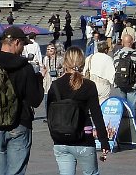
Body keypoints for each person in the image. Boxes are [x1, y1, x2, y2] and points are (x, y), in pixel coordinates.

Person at [47, 47, 111, 175]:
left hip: (61, 141)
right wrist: (104, 141)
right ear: (82, 63)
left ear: (65, 62)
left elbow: (49, 115)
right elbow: (97, 115)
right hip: (84, 138)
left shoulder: (55, 85)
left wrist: (55, 136)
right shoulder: (88, 85)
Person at [0, 26, 44, 175]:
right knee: (16, 171)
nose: (23, 49)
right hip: (19, 123)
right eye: (23, 45)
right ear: (16, 42)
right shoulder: (24, 67)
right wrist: (39, 80)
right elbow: (35, 100)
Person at [112, 34, 136, 117]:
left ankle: (124, 125)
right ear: (131, 43)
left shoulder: (117, 54)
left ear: (123, 43)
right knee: (131, 107)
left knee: (123, 106)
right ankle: (132, 126)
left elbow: (115, 69)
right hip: (133, 84)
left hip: (121, 83)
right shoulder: (135, 54)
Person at [41, 43, 62, 121]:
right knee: (47, 99)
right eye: (48, 49)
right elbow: (44, 68)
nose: (50, 50)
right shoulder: (46, 58)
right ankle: (48, 116)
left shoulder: (59, 58)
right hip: (48, 81)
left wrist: (59, 68)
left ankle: (58, 115)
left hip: (57, 80)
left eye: (52, 48)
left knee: (57, 98)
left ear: (55, 50)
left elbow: (63, 68)